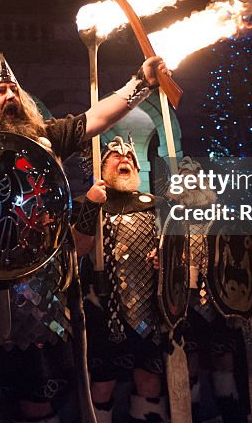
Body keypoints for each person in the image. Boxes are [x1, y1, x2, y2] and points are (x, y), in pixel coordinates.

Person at [0, 35, 167, 423]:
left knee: (39, 401)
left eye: (13, 88)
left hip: (39, 294)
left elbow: (96, 117)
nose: (9, 94)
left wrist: (141, 82)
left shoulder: (45, 138)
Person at [72, 136, 170, 423]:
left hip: (148, 310)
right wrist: (92, 205)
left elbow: (176, 256)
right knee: (102, 384)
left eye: (129, 156)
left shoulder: (155, 205)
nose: (124, 158)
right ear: (102, 167)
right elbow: (79, 248)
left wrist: (164, 260)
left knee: (149, 379)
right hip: (102, 309)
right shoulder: (87, 203)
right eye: (115, 155)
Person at [169, 157, 252, 423]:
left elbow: (239, 257)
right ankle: (193, 415)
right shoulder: (171, 217)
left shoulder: (221, 214)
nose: (191, 179)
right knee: (189, 362)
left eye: (195, 174)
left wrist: (237, 303)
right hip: (185, 302)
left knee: (224, 360)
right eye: (185, 175)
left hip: (219, 300)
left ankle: (230, 414)